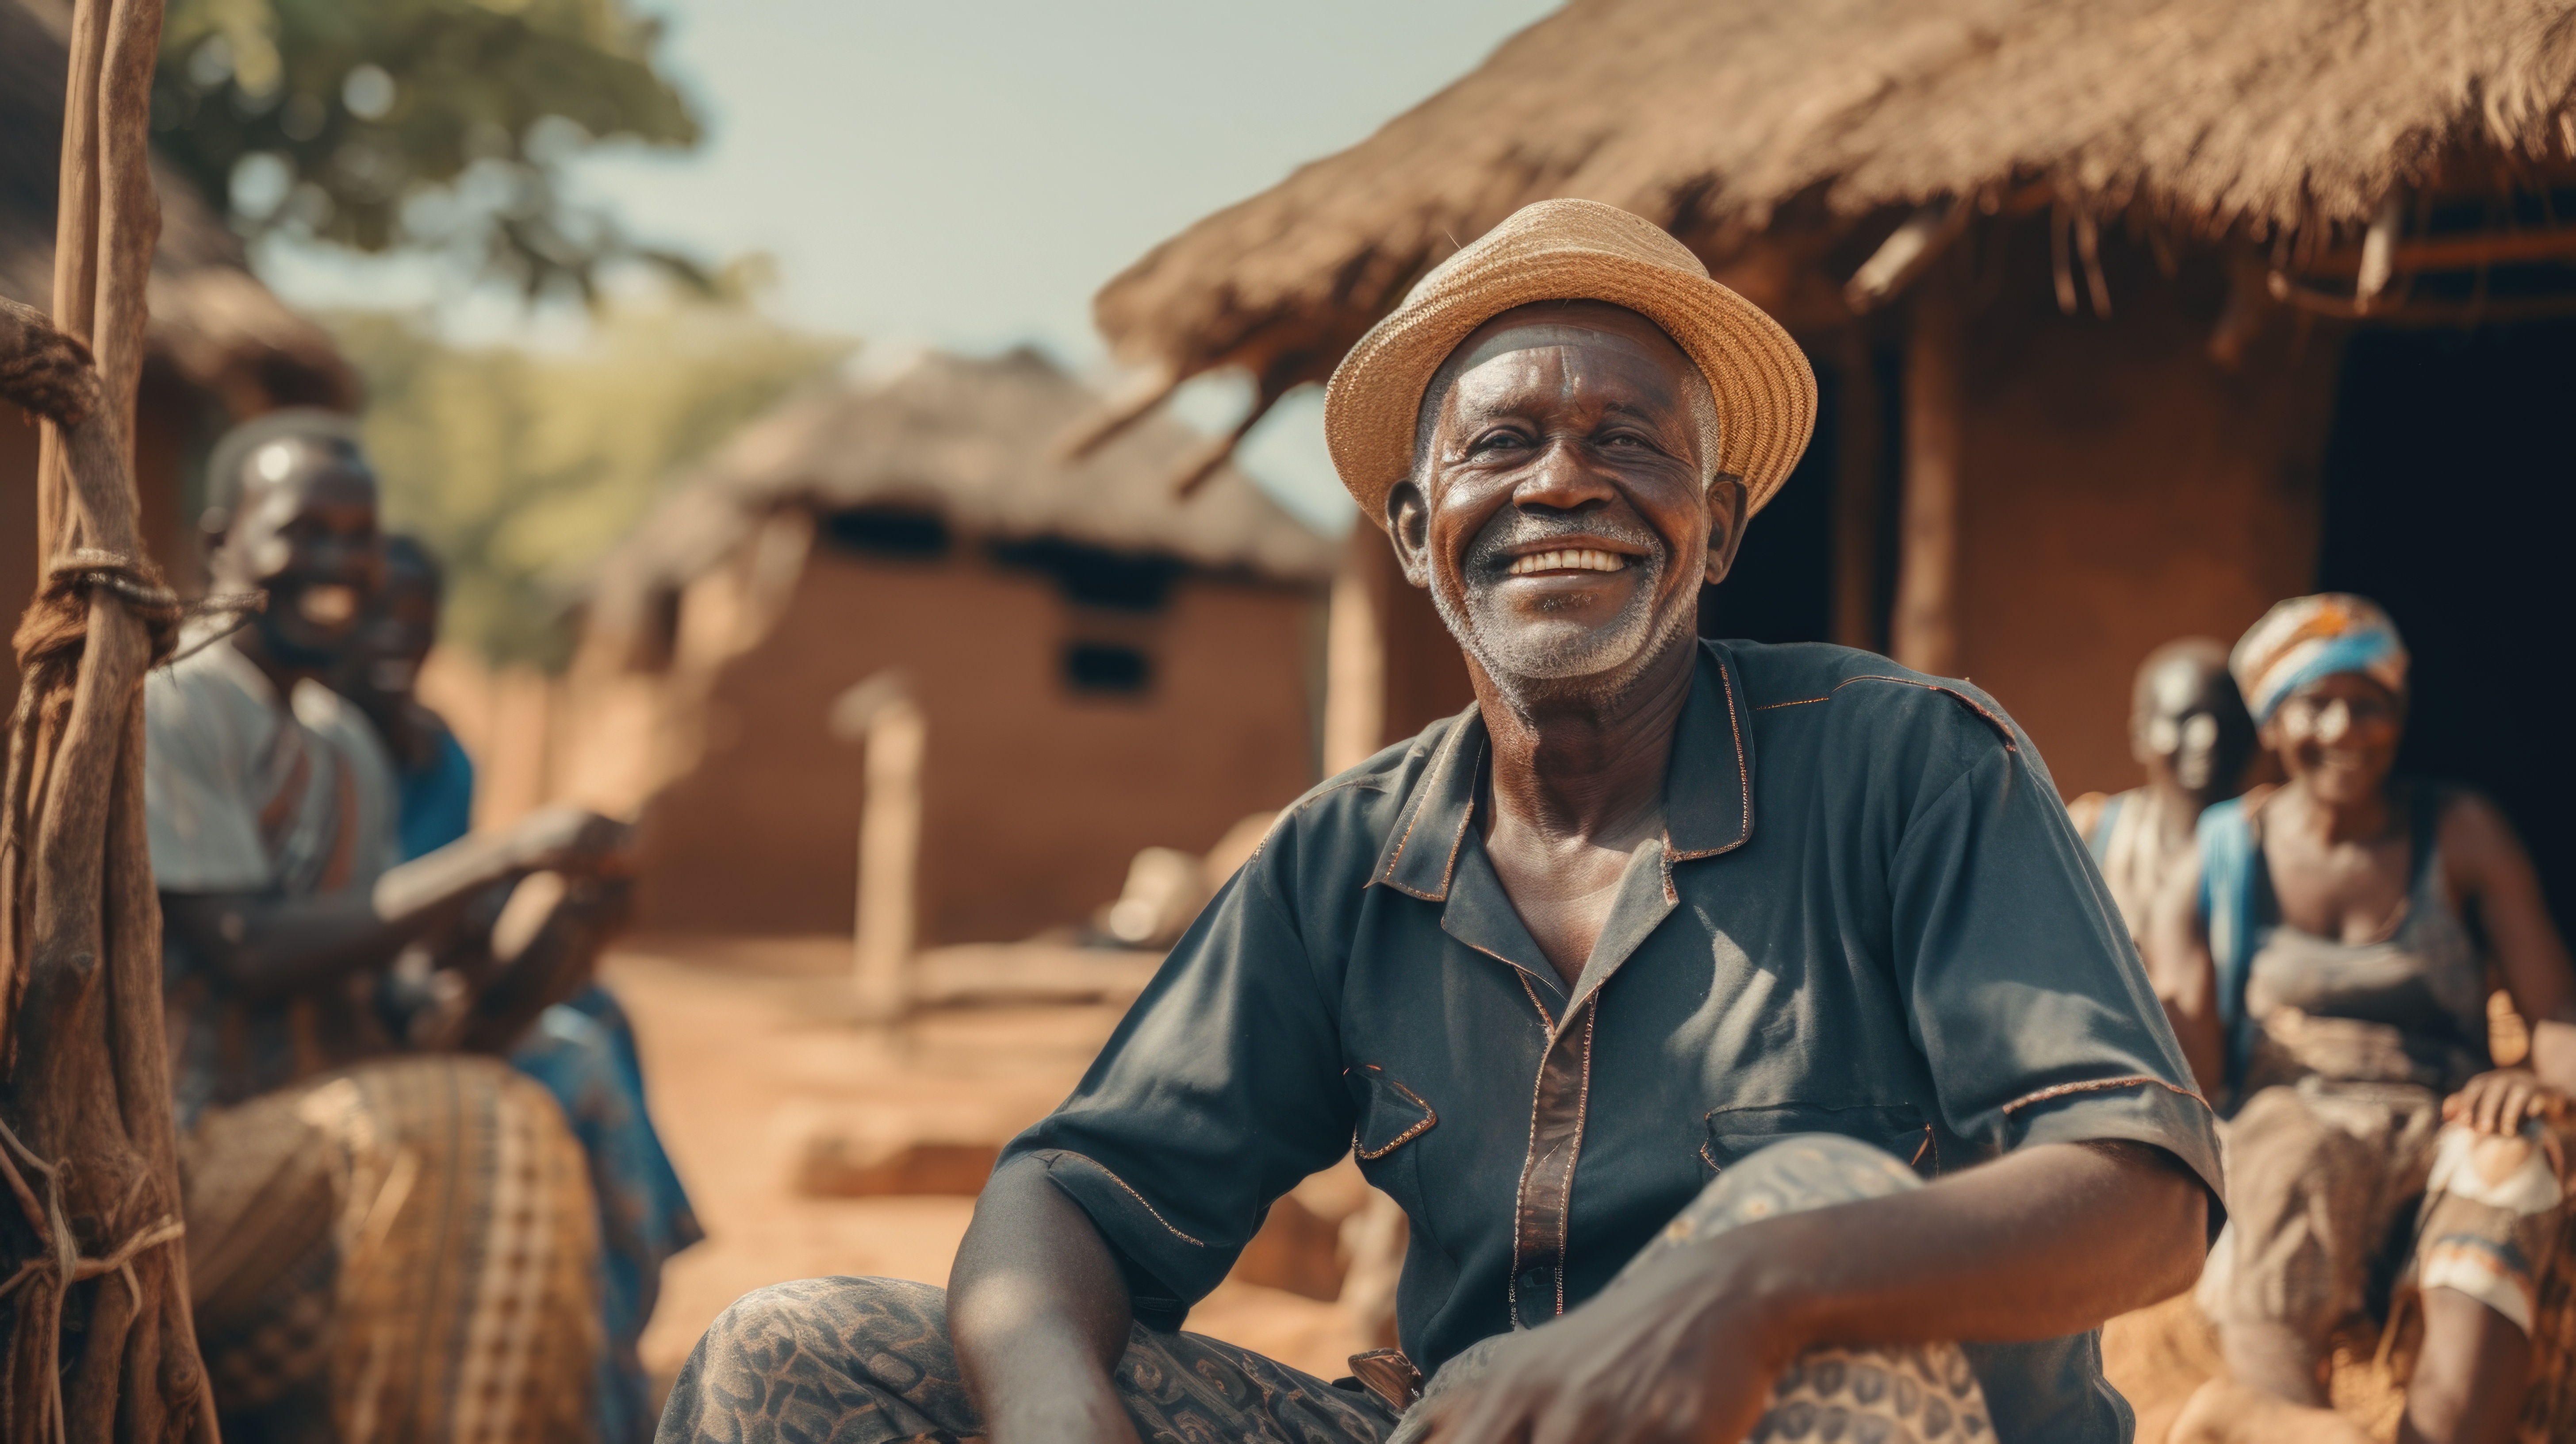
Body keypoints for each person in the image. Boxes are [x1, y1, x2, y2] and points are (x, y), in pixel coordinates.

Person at [658, 200, 2220, 1444]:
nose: (1564, 485)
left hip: (1857, 1416)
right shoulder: (1345, 855)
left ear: (1718, 525)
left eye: (1628, 442)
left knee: (1805, 1202)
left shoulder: (1909, 765)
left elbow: (2142, 1188)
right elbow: (1063, 1192)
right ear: (1417, 535)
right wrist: (1059, 1413)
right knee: (793, 1363)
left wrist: (1748, 1285)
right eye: (1499, 445)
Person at [148, 409, 635, 1444]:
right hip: (173, 1169)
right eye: (304, 531)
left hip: (302, 1146)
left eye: (358, 536)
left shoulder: (342, 748)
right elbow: (250, 952)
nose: (336, 561)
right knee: (466, 1126)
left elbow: (379, 1011)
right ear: (220, 541)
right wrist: (502, 853)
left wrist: (561, 941)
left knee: (516, 1109)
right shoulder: (178, 698)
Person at [2144, 594, 2576, 1444]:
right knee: (2282, 1151)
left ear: (2399, 715)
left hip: (2444, 1107)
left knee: (2511, 1160)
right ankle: (2282, 1414)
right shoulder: (2221, 854)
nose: (2344, 726)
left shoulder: (2459, 832)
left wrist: (2536, 1081)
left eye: (2367, 702)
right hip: (2291, 1109)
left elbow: (2555, 1009)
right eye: (2313, 702)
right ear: (2271, 722)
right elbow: (2184, 1049)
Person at [336, 534, 705, 1444]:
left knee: (596, 1005)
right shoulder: (322, 748)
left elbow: (451, 916)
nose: (397, 642)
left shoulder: (439, 756)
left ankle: (616, 1316)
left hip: (433, 996)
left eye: (418, 629)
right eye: (379, 617)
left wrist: (558, 912)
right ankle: (608, 1358)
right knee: (574, 1062)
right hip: (346, 1016)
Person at [2066, 639, 2258, 942]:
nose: (2207, 737)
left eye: (2225, 719)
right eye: (2184, 719)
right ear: (2140, 735)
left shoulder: (2263, 837)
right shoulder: (2090, 832)